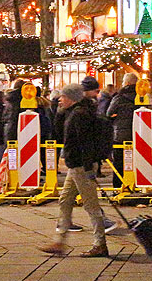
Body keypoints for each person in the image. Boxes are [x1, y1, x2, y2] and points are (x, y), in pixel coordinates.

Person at [40, 83, 109, 258]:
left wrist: (88, 169)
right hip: (75, 165)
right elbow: (58, 133)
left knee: (91, 205)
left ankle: (100, 244)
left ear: (71, 98)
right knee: (65, 200)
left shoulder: (80, 115)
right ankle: (60, 241)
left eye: (62, 97)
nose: (60, 99)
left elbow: (85, 143)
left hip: (81, 166)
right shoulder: (73, 112)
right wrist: (59, 111)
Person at [107, 75, 138, 189]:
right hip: (138, 134)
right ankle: (135, 184)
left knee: (119, 162)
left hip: (120, 135)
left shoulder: (119, 97)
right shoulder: (142, 96)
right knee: (136, 161)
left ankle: (118, 186)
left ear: (126, 83)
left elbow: (109, 113)